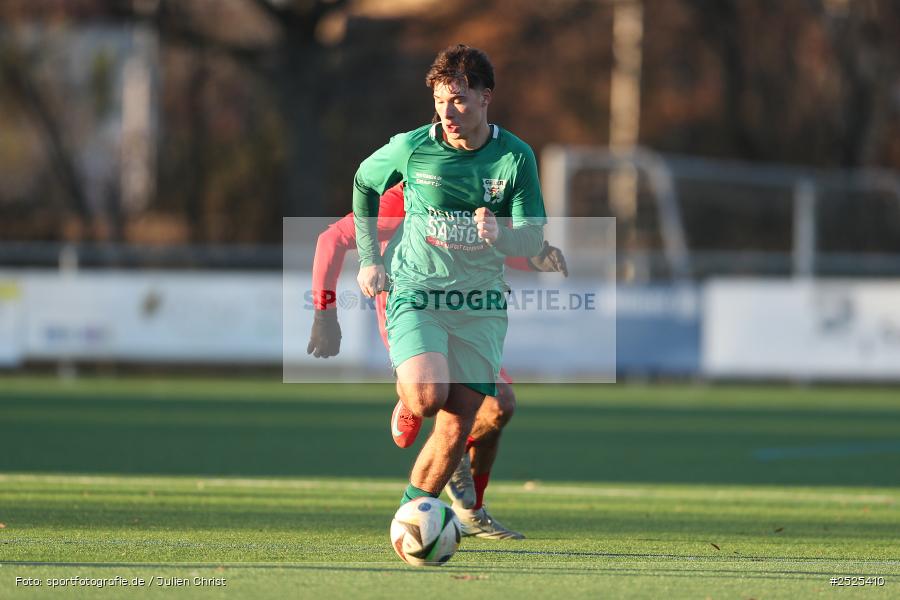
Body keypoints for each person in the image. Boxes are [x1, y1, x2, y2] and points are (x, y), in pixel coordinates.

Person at [351, 44, 547, 538]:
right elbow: (364, 183)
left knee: (460, 423)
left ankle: (409, 523)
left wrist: (502, 236)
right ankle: (409, 396)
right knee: (426, 397)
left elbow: (532, 237)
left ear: (486, 97)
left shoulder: (515, 157)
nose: (447, 112)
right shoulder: (412, 147)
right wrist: (370, 260)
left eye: (458, 99)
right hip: (418, 291)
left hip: (480, 304)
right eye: (440, 101)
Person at [308, 182, 567, 539]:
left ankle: (470, 511)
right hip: (415, 313)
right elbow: (332, 239)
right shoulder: (405, 195)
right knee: (428, 397)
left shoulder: (481, 191)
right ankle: (410, 394)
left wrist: (531, 256)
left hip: (469, 315)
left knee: (499, 407)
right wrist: (324, 313)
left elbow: (484, 245)